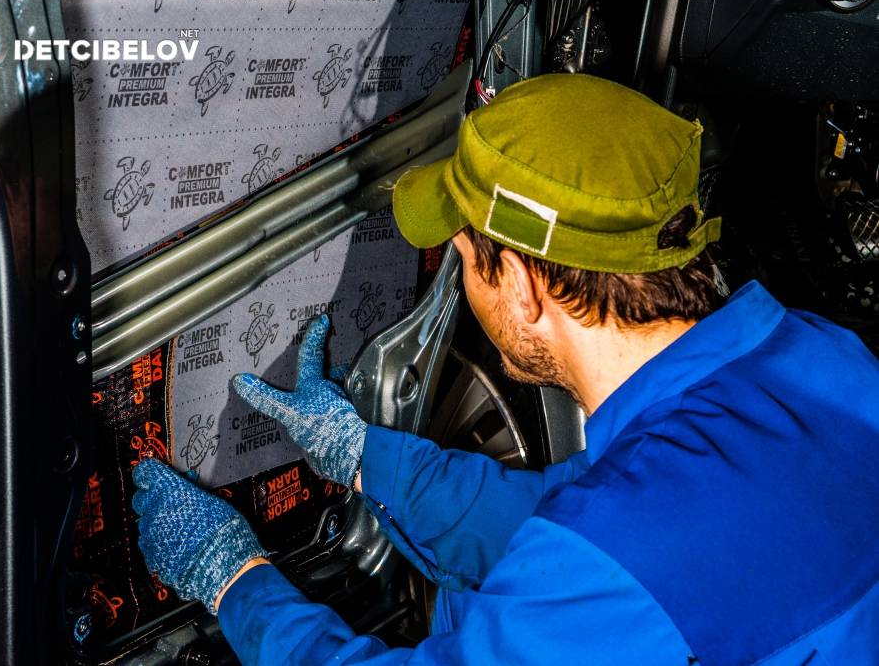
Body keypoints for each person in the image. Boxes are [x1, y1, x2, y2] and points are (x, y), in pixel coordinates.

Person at [130, 74, 879, 665]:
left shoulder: (613, 569)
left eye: (463, 260)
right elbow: (576, 518)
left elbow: (602, 561)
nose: (464, 284)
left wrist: (236, 581)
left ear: (521, 285)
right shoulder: (832, 361)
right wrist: (362, 456)